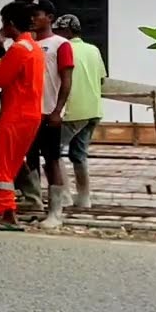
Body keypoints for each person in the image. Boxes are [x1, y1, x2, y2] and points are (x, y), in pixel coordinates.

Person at [0, 1, 45, 231]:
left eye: (3, 22)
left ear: (10, 23)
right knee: (8, 167)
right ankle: (7, 212)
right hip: (30, 116)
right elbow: (11, 70)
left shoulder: (19, 49)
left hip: (16, 115)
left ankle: (2, 214)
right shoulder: (32, 48)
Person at [15, 0, 74, 229]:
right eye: (31, 14)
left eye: (37, 14)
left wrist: (58, 109)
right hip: (28, 112)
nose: (33, 18)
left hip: (48, 112)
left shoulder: (61, 44)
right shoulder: (27, 44)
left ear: (49, 18)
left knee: (51, 161)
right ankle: (34, 201)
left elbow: (67, 79)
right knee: (27, 159)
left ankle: (55, 211)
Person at [53, 14, 107, 209]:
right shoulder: (93, 49)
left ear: (66, 31)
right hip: (93, 110)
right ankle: (84, 198)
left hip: (73, 111)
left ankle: (64, 196)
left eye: (58, 31)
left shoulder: (62, 49)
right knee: (79, 154)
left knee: (53, 151)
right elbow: (101, 79)